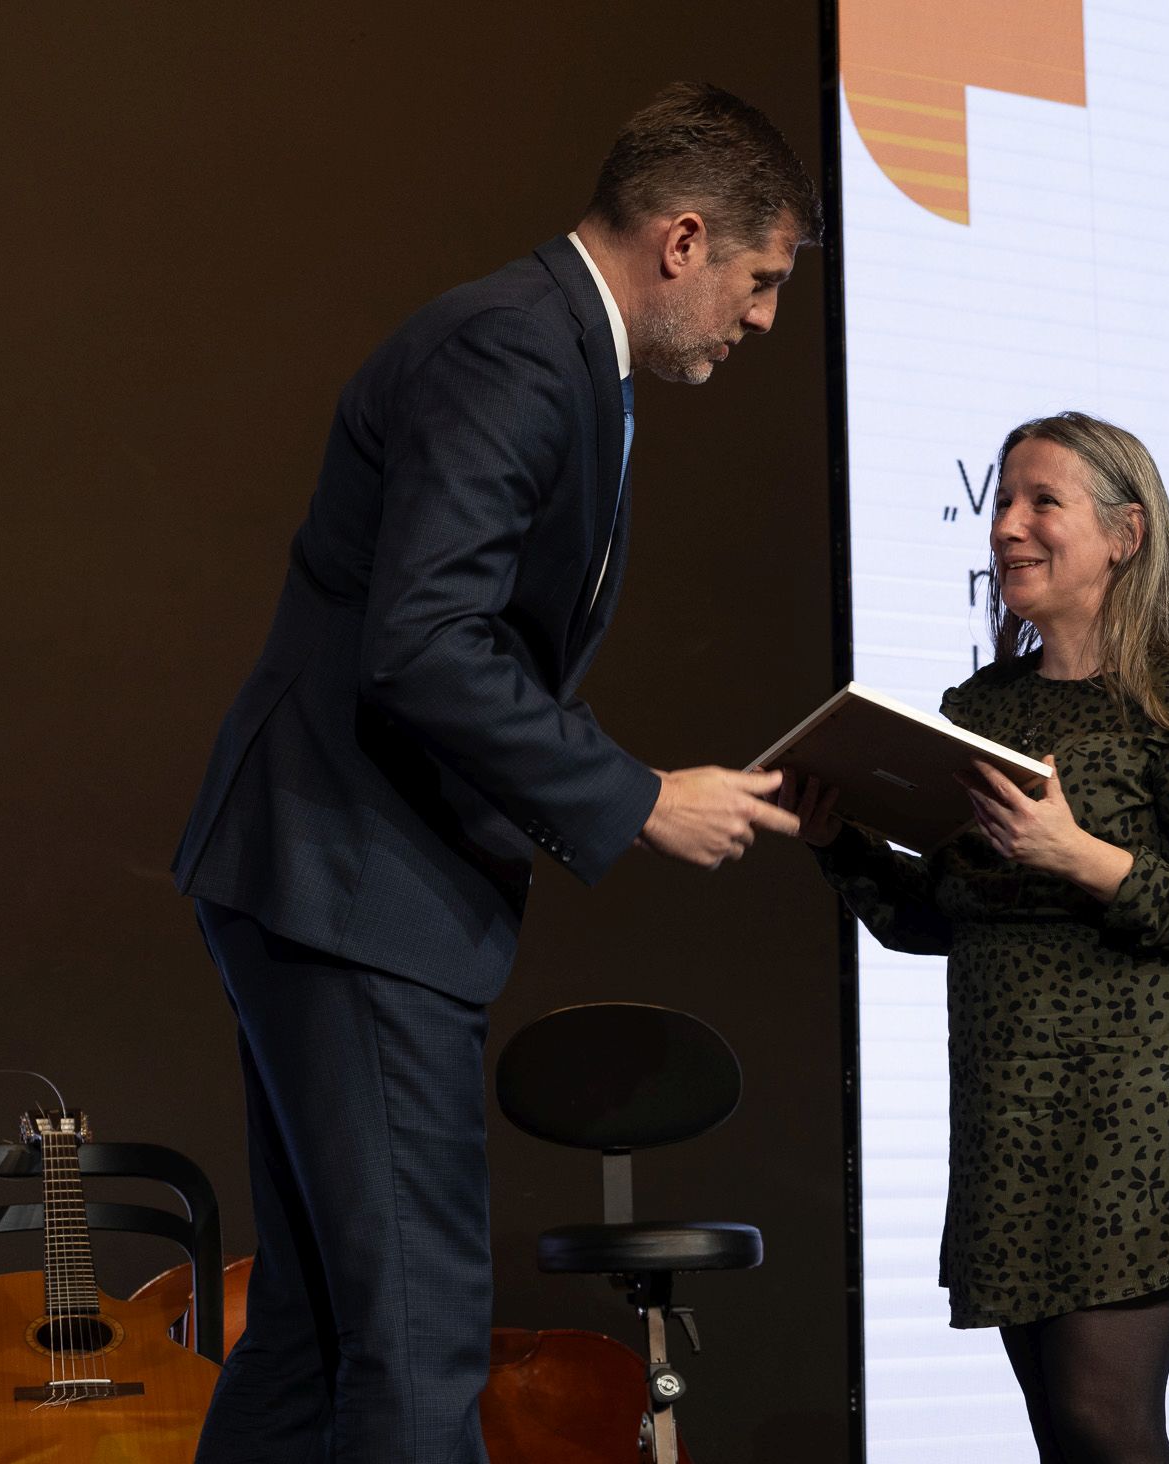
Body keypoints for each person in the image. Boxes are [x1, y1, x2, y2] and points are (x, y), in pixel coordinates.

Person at [170, 83, 816, 1463]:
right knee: (416, 1344)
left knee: (316, 1333)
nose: (765, 319)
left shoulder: (552, 351)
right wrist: (637, 793)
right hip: (355, 886)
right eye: (761, 281)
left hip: (330, 880)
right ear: (685, 241)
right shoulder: (516, 348)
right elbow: (425, 641)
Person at [783, 412, 1169, 1464]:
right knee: (1061, 1433)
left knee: (1104, 1420)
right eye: (1001, 501)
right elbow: (938, 916)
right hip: (1011, 1107)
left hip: (1137, 1107)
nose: (1008, 525)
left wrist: (1076, 854)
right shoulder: (980, 708)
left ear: (1125, 534)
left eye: (1042, 501)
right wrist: (839, 842)